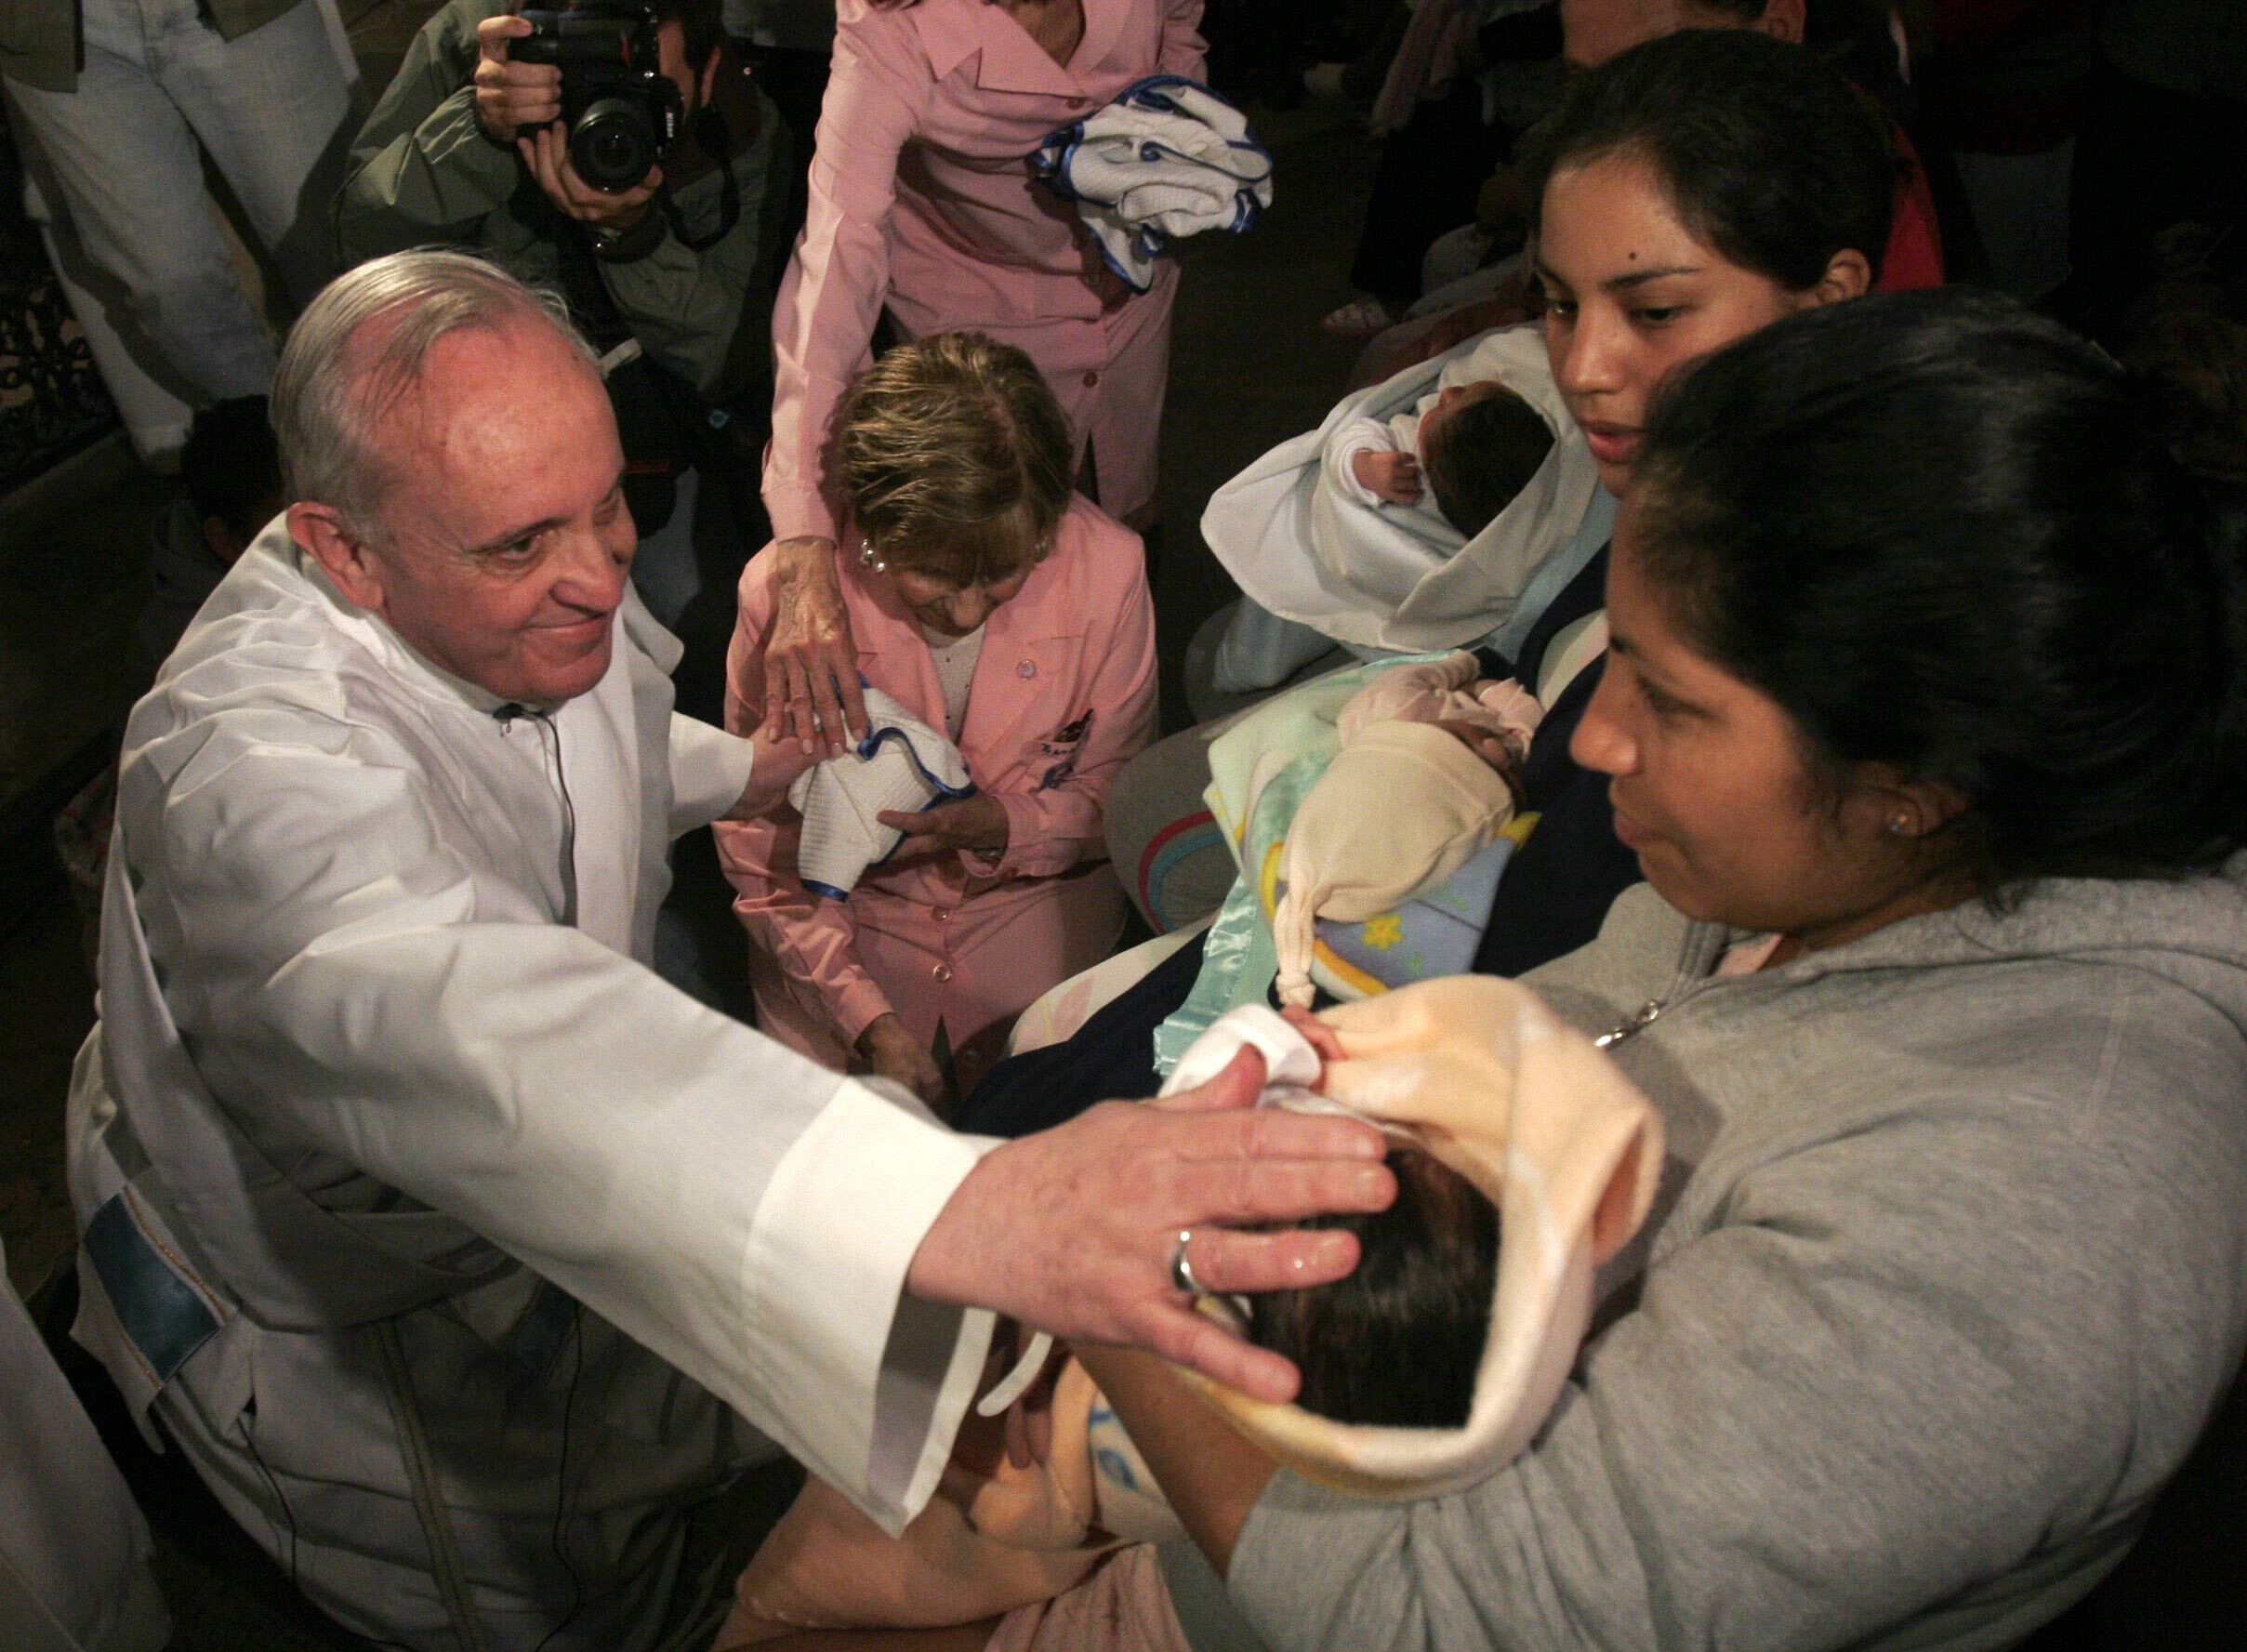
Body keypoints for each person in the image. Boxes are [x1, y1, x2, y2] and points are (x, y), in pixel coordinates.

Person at [59, 249, 1394, 1652]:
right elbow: (461, 1021)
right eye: (524, 545)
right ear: (339, 548)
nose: (592, 579)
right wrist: (961, 1211)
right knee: (540, 1602)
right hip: (368, 1339)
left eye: (614, 510)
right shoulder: (248, 782)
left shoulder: (494, 555)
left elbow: (585, 730)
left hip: (541, 1271)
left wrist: (743, 772)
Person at [1074, 287, 2247, 1651]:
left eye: (1670, 701)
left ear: (1915, 782)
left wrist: (1115, 1271)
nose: (1594, 741)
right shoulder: (1813, 871)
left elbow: (1431, 1622)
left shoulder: (2041, 1208)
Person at [1093, 26, 1887, 967]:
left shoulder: (1815, 609)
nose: (1583, 368)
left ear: (1826, 301)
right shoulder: (1683, 495)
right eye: (1558, 305)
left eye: (1657, 311)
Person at [755, 0, 1207, 757]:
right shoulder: (890, 34)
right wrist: (802, 541)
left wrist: (1173, 126)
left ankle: (1110, 777)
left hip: (1131, 300)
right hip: (977, 312)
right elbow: (833, 268)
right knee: (984, 561)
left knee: (1123, 524)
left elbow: (1181, 21)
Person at [720, 332, 1157, 1099]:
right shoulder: (785, 601)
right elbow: (760, 849)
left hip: (1036, 914)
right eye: (936, 576)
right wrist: (864, 1018)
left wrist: (1004, 825)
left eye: (1001, 576)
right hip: (839, 934)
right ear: (876, 524)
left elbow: (1121, 805)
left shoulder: (1110, 569)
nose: (964, 610)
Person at [337, 0, 792, 680]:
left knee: (711, 634)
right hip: (474, 427)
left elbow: (729, 358)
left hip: (657, 438)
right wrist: (477, 132)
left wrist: (634, 239)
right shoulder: (480, 41)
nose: (609, 114)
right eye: (581, 85)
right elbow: (362, 247)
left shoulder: (739, 128)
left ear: (708, 69)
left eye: (646, 92)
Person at [0, 0, 351, 441]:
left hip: (239, 13)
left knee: (333, 246)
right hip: (59, 29)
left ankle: (401, 433)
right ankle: (279, 457)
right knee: (171, 288)